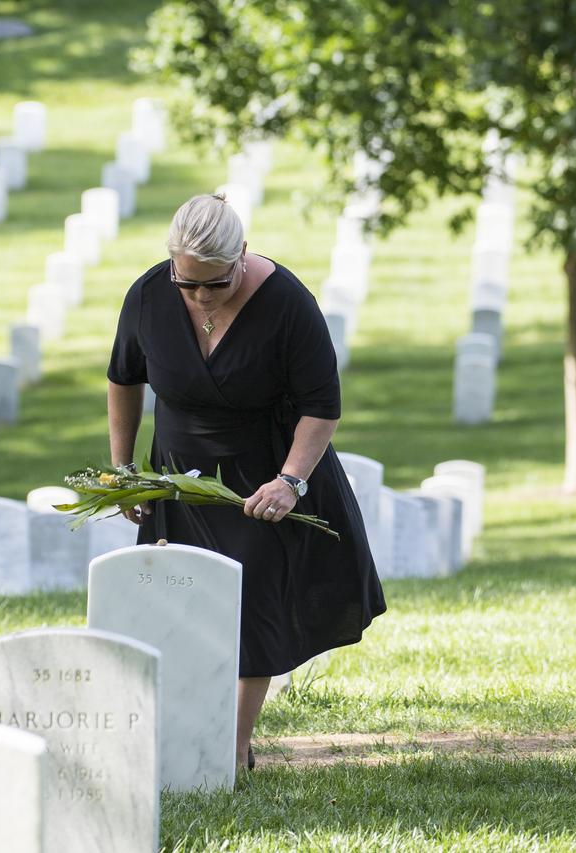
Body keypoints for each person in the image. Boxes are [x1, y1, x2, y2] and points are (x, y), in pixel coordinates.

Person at [107, 193, 386, 769]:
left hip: (260, 476)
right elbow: (124, 377)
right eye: (189, 285)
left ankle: (231, 747)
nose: (202, 296)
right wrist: (125, 468)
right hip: (177, 475)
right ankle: (181, 732)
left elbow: (322, 406)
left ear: (242, 255)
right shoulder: (147, 295)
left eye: (217, 283)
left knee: (251, 602)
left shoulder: (287, 304)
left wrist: (291, 482)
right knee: (174, 601)